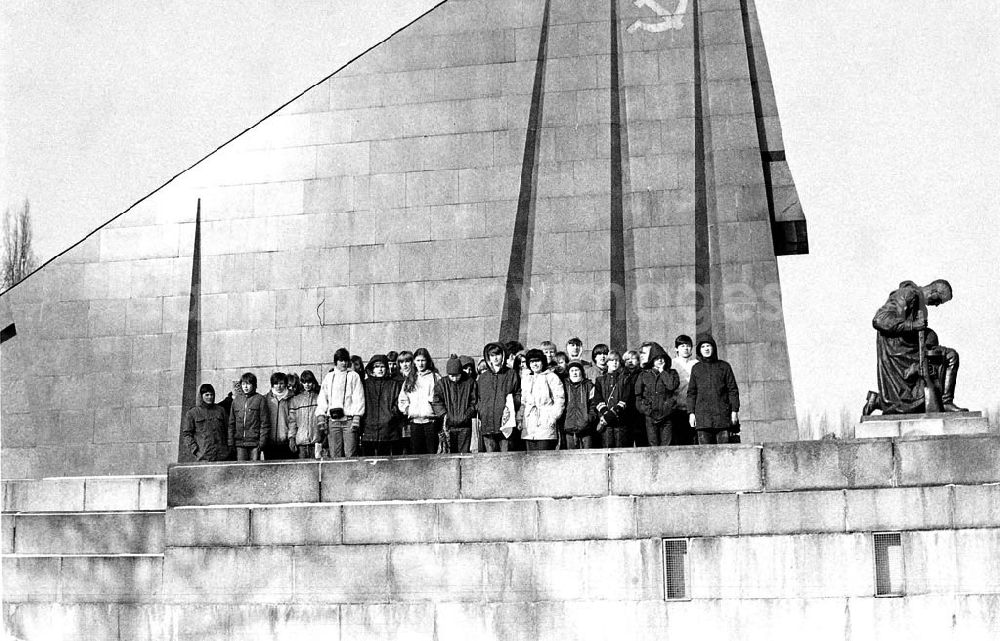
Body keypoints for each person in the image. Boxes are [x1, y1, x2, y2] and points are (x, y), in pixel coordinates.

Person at [866, 279, 966, 414]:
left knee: (945, 358)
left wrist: (929, 336)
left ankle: (945, 401)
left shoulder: (920, 305)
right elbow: (879, 320)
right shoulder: (906, 294)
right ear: (933, 292)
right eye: (938, 301)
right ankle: (945, 402)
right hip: (899, 354)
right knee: (950, 357)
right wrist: (913, 326)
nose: (936, 305)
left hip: (910, 350)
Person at [687, 335, 740, 444]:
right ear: (699, 350)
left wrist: (734, 411)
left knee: (724, 452)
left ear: (713, 348)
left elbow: (732, 390)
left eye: (708, 346)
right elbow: (692, 393)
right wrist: (691, 413)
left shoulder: (724, 366)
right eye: (703, 347)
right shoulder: (696, 369)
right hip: (703, 419)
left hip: (722, 418)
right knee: (705, 454)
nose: (706, 349)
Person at [316, 348, 366, 458]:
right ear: (336, 361)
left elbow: (359, 397)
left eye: (345, 360)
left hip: (348, 421)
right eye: (341, 360)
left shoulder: (353, 376)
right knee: (335, 454)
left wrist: (357, 417)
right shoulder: (329, 377)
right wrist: (321, 416)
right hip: (333, 421)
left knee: (350, 453)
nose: (343, 363)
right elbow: (323, 397)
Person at [477, 342, 522, 453]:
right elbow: (477, 398)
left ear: (503, 355)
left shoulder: (511, 374)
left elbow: (518, 393)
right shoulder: (483, 378)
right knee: (491, 459)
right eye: (492, 355)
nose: (495, 358)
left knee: (506, 458)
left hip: (505, 424)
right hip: (487, 425)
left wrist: (512, 406)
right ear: (488, 358)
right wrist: (481, 410)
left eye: (498, 354)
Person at [635, 342, 680, 446]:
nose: (660, 360)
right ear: (652, 360)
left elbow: (671, 386)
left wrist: (662, 372)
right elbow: (638, 395)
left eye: (662, 358)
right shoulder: (644, 375)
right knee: (653, 444)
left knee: (666, 444)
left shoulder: (672, 373)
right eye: (656, 358)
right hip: (650, 416)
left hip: (667, 415)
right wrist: (645, 410)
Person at [398, 347, 441, 455]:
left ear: (427, 361)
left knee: (431, 453)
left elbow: (441, 398)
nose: (420, 363)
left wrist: (435, 411)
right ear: (414, 362)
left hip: (430, 423)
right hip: (415, 422)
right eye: (418, 360)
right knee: (417, 455)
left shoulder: (435, 377)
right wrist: (408, 409)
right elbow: (403, 398)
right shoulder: (410, 378)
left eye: (423, 360)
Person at [520, 349, 565, 451]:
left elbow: (559, 399)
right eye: (531, 362)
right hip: (529, 424)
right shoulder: (526, 379)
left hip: (545, 423)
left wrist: (552, 417)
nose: (534, 364)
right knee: (531, 460)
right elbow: (524, 400)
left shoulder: (551, 377)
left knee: (544, 458)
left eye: (537, 361)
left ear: (542, 362)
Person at [432, 356, 478, 454]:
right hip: (449, 426)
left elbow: (474, 401)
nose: (454, 379)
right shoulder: (442, 384)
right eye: (451, 376)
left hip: (465, 426)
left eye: (457, 375)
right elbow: (436, 401)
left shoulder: (469, 383)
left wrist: (468, 414)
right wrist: (444, 415)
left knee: (464, 454)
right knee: (449, 454)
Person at [360, 354, 404, 456]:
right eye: (376, 367)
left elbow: (398, 403)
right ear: (372, 369)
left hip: (388, 431)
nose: (380, 369)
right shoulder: (365, 384)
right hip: (369, 430)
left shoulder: (393, 384)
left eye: (382, 366)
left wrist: (391, 415)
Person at [182, 383, 230, 461]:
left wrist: (228, 448)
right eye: (207, 395)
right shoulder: (193, 413)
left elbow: (229, 429)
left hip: (222, 455)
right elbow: (187, 434)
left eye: (211, 395)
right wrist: (195, 450)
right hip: (204, 456)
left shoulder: (221, 410)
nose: (210, 397)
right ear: (201, 396)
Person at [595, 351, 633, 448]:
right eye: (611, 360)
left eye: (617, 360)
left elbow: (625, 398)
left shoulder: (626, 379)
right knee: (607, 450)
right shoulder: (600, 380)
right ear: (607, 363)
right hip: (606, 423)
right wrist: (605, 413)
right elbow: (597, 399)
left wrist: (612, 414)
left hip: (620, 422)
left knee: (620, 450)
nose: (614, 363)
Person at [228, 372, 270, 461]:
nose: (245, 387)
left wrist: (262, 442)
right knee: (241, 469)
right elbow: (231, 423)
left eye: (248, 384)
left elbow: (264, 423)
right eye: (243, 384)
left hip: (254, 444)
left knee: (254, 470)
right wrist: (231, 442)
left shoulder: (260, 399)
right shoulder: (236, 401)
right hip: (240, 444)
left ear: (254, 385)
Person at [288, 370, 322, 459]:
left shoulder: (319, 398)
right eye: (304, 382)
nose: (307, 384)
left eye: (309, 382)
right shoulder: (296, 400)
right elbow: (292, 421)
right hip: (301, 442)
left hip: (316, 441)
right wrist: (292, 438)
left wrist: (324, 436)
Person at [563, 361, 598, 449]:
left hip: (586, 429)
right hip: (569, 428)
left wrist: (589, 418)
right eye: (572, 370)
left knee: (588, 456)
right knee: (571, 457)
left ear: (581, 372)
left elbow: (593, 404)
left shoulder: (589, 385)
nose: (574, 373)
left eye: (577, 370)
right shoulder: (564, 386)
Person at [671, 335, 698, 445]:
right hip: (676, 409)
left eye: (688, 346)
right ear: (676, 348)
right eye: (682, 346)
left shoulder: (696, 364)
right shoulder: (672, 364)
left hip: (692, 410)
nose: (685, 348)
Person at [264, 372, 296, 460]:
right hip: (269, 442)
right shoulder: (266, 399)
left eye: (281, 383)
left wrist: (291, 437)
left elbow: (293, 420)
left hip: (285, 441)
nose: (279, 386)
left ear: (285, 384)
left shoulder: (291, 398)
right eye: (276, 383)